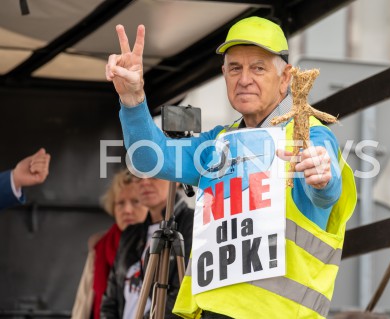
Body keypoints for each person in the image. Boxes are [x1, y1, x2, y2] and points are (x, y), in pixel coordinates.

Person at [105, 16, 357, 319]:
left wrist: (322, 180)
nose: (244, 79)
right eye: (235, 68)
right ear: (224, 74)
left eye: (258, 68)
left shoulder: (309, 134)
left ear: (286, 78)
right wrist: (132, 99)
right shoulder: (219, 142)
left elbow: (325, 192)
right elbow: (148, 158)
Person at [101, 175, 194, 319]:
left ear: (176, 179)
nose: (145, 181)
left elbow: (183, 295)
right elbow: (110, 299)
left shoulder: (192, 224)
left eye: (155, 174)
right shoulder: (130, 234)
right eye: (137, 176)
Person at [72, 169, 148, 319]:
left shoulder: (161, 244)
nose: (127, 210)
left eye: (135, 201)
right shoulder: (100, 247)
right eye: (120, 203)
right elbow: (83, 303)